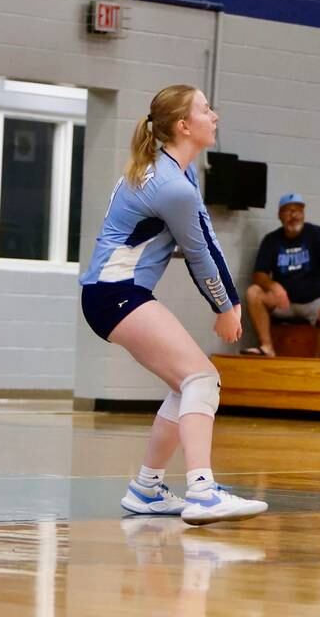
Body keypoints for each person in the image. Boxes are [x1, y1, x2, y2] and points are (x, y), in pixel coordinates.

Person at [79, 84, 268, 526]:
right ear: (184, 126)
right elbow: (201, 250)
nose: (214, 115)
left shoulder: (173, 172)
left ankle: (147, 488)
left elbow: (199, 240)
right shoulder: (171, 184)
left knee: (188, 384)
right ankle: (202, 491)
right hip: (117, 292)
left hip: (110, 293)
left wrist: (226, 300)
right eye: (205, 109)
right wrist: (226, 306)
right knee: (203, 378)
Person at [244, 193, 320, 358]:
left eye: (298, 210)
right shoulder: (271, 240)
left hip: (315, 302)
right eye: (288, 211)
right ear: (279, 215)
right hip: (285, 303)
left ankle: (316, 361)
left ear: (303, 213)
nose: (293, 215)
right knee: (253, 292)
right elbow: (258, 275)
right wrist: (273, 286)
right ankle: (267, 347)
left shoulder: (317, 234)